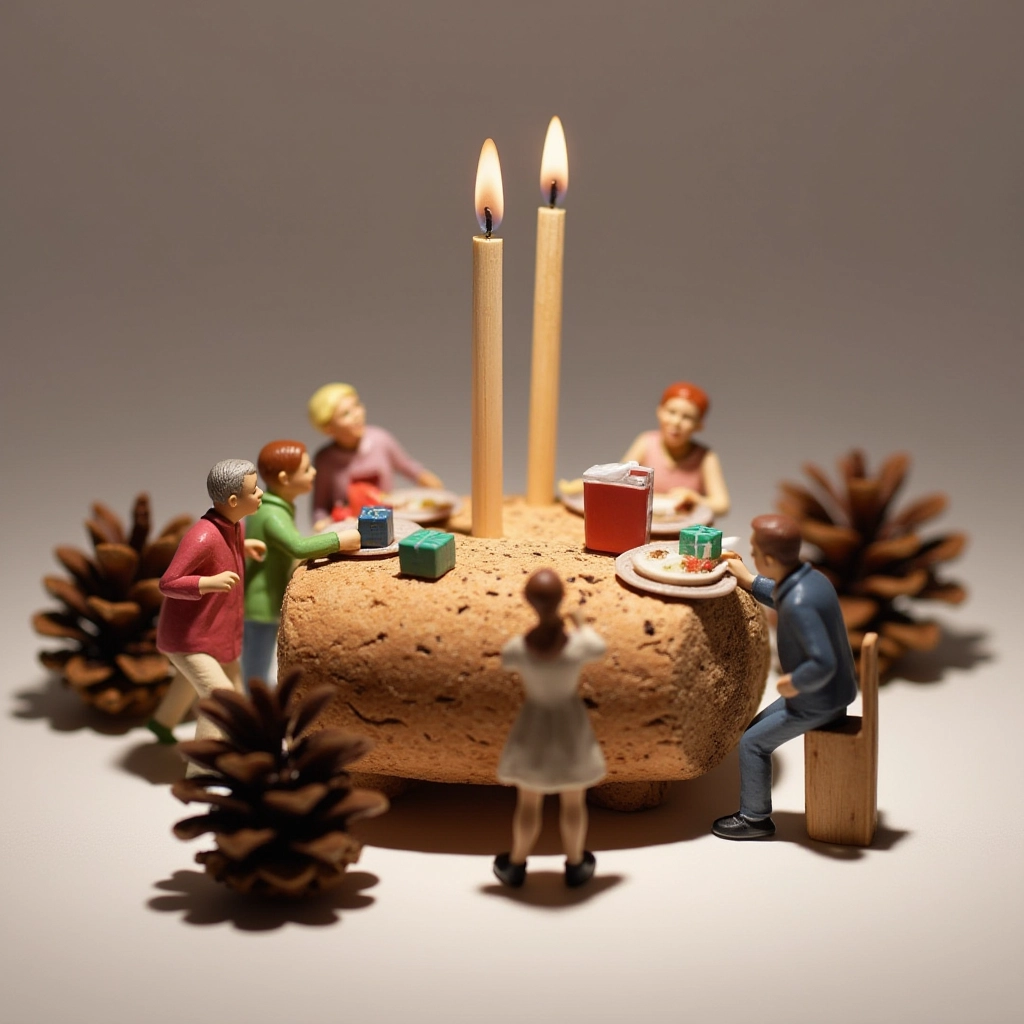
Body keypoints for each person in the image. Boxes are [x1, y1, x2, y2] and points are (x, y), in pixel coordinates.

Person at [712, 513, 858, 839]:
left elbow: (823, 663)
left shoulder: (800, 603)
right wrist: (750, 581)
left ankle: (755, 819)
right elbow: (782, 593)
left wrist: (792, 683)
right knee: (753, 732)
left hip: (819, 699)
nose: (750, 553)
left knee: (751, 744)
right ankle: (754, 812)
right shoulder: (811, 580)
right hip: (830, 692)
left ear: (769, 558)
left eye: (753, 550)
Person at [493, 569, 607, 889]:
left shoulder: (517, 647)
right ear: (561, 600)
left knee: (528, 803)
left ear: (528, 602)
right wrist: (581, 623)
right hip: (569, 724)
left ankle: (516, 864)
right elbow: (598, 648)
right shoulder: (577, 646)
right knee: (574, 802)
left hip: (534, 724)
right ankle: (575, 863)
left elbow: (505, 660)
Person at [147, 460, 266, 763]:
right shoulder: (202, 536)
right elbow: (168, 582)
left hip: (215, 635)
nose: (261, 493)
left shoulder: (233, 526)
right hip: (189, 639)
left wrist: (244, 547)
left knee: (220, 690)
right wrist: (206, 583)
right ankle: (204, 768)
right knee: (220, 696)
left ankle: (162, 723)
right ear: (234, 501)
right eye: (255, 490)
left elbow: (225, 553)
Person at [242, 440, 361, 686]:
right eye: (307, 470)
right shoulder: (273, 515)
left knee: (262, 659)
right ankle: (253, 708)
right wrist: (339, 540)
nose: (314, 473)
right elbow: (298, 546)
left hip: (270, 594)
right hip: (262, 601)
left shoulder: (274, 507)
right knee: (256, 663)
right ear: (285, 478)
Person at [307, 382, 443, 529]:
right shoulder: (325, 459)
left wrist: (425, 479)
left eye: (357, 405)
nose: (357, 415)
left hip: (390, 521)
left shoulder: (381, 440)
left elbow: (408, 467)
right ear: (328, 428)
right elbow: (319, 508)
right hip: (350, 527)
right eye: (346, 414)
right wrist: (322, 524)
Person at [620, 381, 730, 516]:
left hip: (685, 530)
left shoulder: (706, 457)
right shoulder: (646, 442)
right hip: (645, 523)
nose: (676, 422)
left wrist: (695, 499)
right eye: (671, 412)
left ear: (699, 425)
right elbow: (620, 481)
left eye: (687, 417)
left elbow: (722, 504)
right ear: (659, 412)